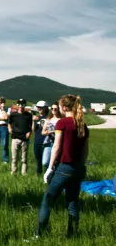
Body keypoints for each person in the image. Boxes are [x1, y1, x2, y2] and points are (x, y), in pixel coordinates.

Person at [35, 94, 89, 239]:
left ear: (64, 107)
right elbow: (85, 150)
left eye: (59, 106)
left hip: (64, 168)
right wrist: (80, 166)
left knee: (47, 200)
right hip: (78, 169)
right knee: (72, 202)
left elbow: (57, 147)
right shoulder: (82, 125)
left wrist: (50, 167)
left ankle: (38, 235)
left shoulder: (63, 123)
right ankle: (72, 235)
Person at [8, 98, 34, 175]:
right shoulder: (13, 115)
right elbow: (9, 123)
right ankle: (13, 172)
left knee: (24, 158)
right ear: (17, 105)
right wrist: (9, 128)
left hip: (24, 139)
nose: (21, 106)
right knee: (14, 158)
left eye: (22, 104)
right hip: (15, 137)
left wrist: (29, 132)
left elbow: (30, 126)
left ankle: (24, 173)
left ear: (25, 105)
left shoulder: (28, 115)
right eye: (19, 104)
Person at [41, 103, 63, 171]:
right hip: (49, 142)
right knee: (45, 162)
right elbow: (43, 132)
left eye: (55, 109)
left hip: (59, 143)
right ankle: (50, 170)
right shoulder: (48, 119)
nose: (53, 110)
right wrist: (50, 132)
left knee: (57, 162)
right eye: (52, 109)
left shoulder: (62, 120)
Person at [33, 101, 49, 175]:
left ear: (45, 108)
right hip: (37, 140)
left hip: (45, 141)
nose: (39, 109)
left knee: (45, 161)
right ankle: (38, 174)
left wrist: (39, 119)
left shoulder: (48, 118)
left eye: (40, 107)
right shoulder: (36, 118)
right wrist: (33, 121)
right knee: (38, 160)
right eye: (38, 107)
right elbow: (33, 130)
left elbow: (46, 128)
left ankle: (47, 175)